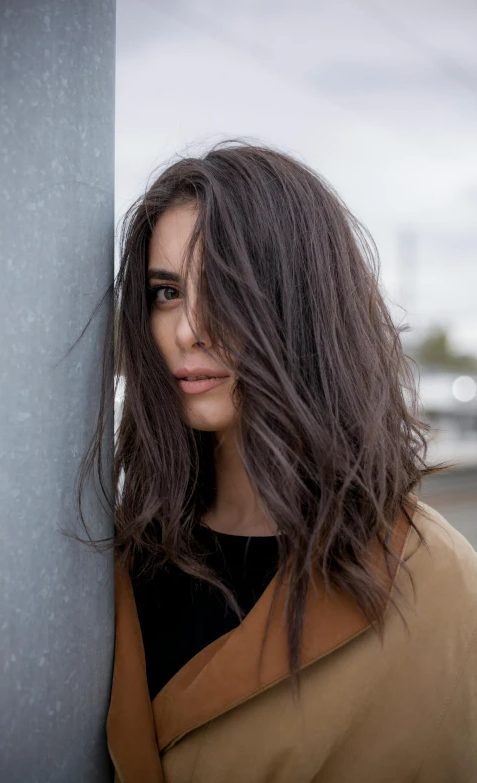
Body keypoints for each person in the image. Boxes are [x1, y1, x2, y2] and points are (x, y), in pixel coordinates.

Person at [80, 142, 477, 782]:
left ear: (305, 305)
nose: (188, 329)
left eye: (228, 289)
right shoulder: (117, 555)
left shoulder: (431, 576)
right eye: (166, 292)